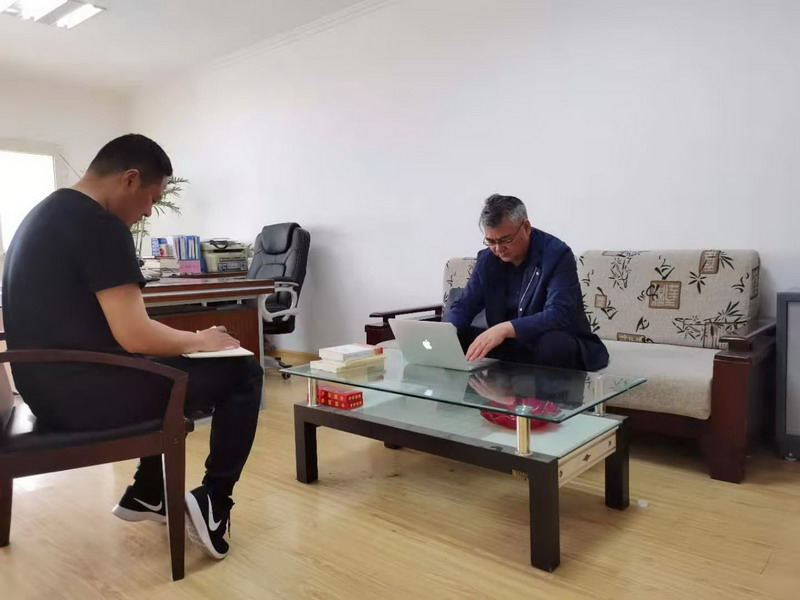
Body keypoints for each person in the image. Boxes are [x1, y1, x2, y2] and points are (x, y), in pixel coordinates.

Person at [1, 134, 263, 560]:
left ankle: (148, 490)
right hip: (86, 398)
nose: (148, 212)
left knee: (171, 359)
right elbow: (135, 335)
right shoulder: (100, 224)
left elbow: (120, 330)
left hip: (45, 392)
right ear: (129, 179)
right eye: (152, 199)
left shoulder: (43, 214)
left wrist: (189, 344)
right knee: (243, 372)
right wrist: (201, 339)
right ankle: (215, 499)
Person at [445, 193, 608, 371]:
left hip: (548, 338)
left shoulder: (557, 255)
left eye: (505, 240)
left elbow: (559, 313)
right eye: (491, 241)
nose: (498, 249)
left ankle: (533, 387)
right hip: (509, 343)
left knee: (553, 345)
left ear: (526, 227)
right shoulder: (487, 259)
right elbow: (465, 305)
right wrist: (447, 332)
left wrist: (505, 328)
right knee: (460, 336)